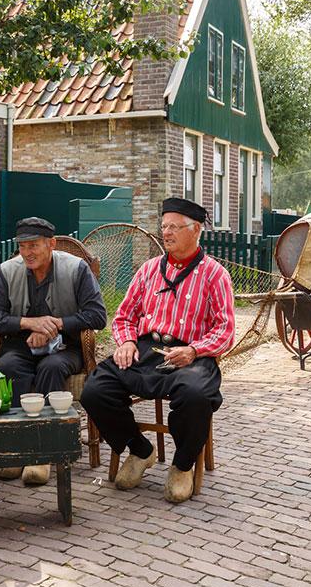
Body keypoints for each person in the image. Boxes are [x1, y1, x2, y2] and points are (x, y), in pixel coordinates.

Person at [80, 197, 235, 504]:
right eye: (164, 226)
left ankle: (183, 464)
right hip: (146, 349)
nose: (166, 232)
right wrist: (125, 341)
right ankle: (140, 450)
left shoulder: (215, 274)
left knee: (195, 396)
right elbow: (125, 316)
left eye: (174, 227)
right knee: (95, 390)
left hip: (190, 355)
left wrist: (193, 350)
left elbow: (225, 330)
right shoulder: (149, 270)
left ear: (196, 231)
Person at [0, 217, 107, 485]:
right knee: (8, 367)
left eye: (34, 245)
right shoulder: (8, 270)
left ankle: (43, 453)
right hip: (20, 344)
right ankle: (18, 447)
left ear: (51, 244)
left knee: (51, 367)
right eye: (22, 246)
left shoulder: (76, 269)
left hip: (65, 345)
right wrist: (29, 323)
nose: (27, 252)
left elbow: (97, 316)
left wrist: (56, 324)